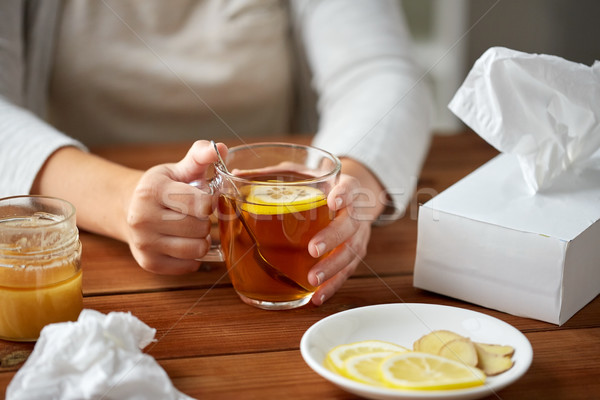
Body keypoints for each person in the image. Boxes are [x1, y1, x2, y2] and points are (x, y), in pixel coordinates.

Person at [0, 0, 432, 306]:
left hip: (285, 226)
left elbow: (381, 72)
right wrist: (122, 200)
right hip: (87, 246)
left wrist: (350, 185)